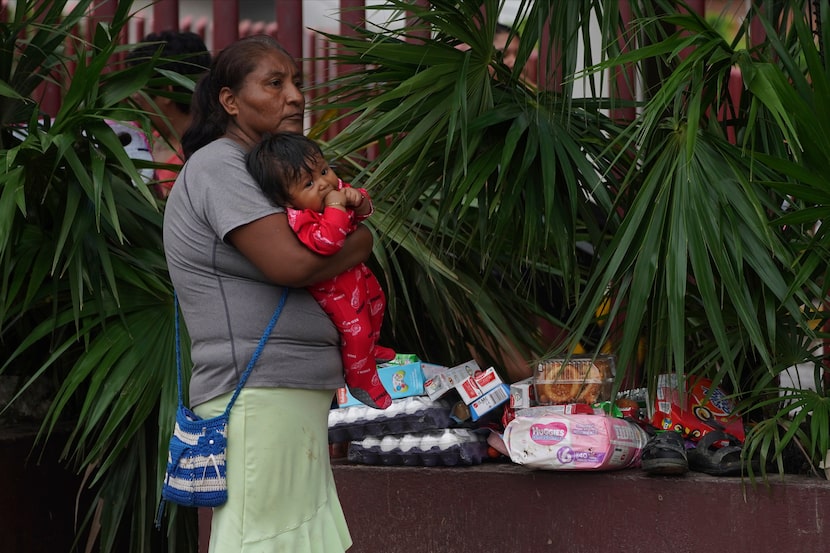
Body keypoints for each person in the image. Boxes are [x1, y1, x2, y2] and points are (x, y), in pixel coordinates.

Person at [164, 35, 365, 552]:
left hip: (287, 389)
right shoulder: (219, 165)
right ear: (230, 101)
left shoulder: (263, 168)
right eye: (275, 84)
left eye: (295, 82)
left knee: (303, 540)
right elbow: (292, 263)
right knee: (263, 540)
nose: (295, 96)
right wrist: (362, 239)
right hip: (255, 392)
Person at [246, 132, 395, 410]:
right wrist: (338, 205)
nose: (325, 183)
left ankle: (369, 352)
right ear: (287, 200)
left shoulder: (331, 193)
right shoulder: (300, 217)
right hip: (334, 290)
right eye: (309, 183)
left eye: (324, 170)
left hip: (356, 276)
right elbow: (328, 242)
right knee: (357, 331)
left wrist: (358, 199)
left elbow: (363, 212)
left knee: (377, 302)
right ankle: (362, 380)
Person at [126, 30, 211, 198]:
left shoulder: (200, 162)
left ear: (166, 91)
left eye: (136, 85)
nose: (130, 95)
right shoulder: (137, 138)